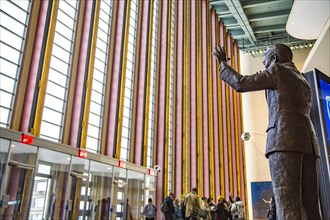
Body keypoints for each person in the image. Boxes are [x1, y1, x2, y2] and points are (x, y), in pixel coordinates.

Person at [212, 44, 321, 219]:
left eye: (265, 63)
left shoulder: (277, 70)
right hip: (309, 143)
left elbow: (241, 83)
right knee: (310, 205)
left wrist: (223, 65)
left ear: (275, 59)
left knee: (287, 202)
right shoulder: (303, 81)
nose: (265, 68)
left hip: (283, 141)